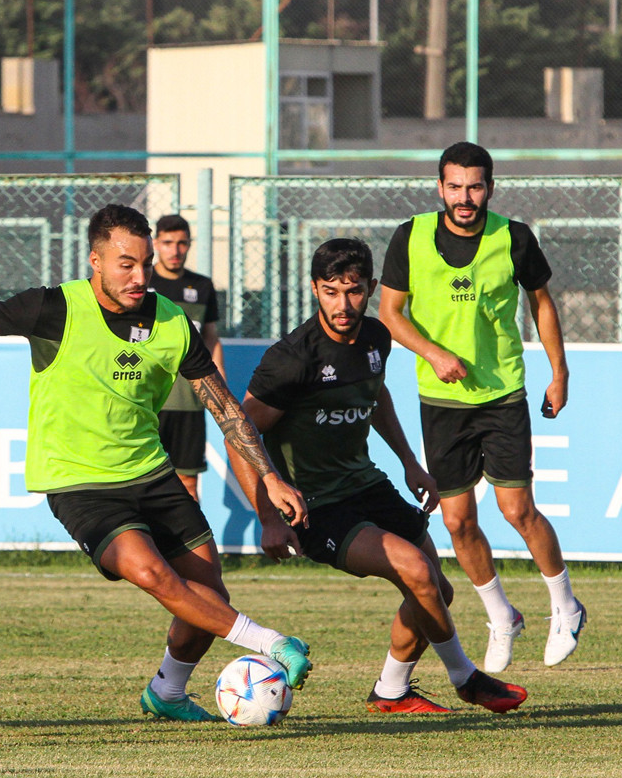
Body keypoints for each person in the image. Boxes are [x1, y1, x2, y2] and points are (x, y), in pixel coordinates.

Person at [0, 203, 313, 722]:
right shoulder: (54, 308)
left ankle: (166, 692)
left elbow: (225, 407)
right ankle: (274, 643)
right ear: (95, 260)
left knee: (209, 594)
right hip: (79, 483)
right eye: (126, 264)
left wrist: (271, 478)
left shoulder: (172, 321)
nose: (140, 276)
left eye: (145, 263)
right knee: (152, 572)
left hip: (150, 471)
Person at [229, 237, 527, 714]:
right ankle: (465, 677)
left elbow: (377, 395)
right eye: (330, 292)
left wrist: (410, 461)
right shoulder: (292, 359)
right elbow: (238, 435)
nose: (342, 304)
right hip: (316, 507)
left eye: (352, 292)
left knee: (437, 590)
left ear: (370, 287)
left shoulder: (376, 337)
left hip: (367, 484)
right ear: (314, 289)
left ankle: (391, 690)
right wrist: (267, 515)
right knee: (416, 570)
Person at [377, 141, 586, 673]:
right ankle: (502, 617)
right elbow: (391, 313)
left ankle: (565, 607)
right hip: (440, 400)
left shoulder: (513, 237)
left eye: (475, 186)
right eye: (455, 186)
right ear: (440, 187)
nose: (465, 197)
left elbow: (542, 303)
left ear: (489, 188)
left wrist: (558, 372)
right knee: (457, 522)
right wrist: (433, 353)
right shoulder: (412, 235)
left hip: (501, 393)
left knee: (516, 509)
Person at [149, 214, 225, 501]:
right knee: (141, 481)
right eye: (168, 242)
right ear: (156, 243)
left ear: (190, 245)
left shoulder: (202, 287)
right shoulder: (141, 283)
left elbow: (211, 338)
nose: (175, 250)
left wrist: (219, 386)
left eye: (181, 243)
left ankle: (188, 546)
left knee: (188, 484)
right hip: (149, 400)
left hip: (189, 402)